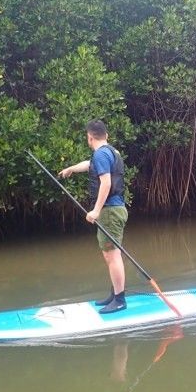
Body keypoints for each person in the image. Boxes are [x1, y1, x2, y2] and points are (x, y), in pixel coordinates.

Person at [59, 120, 128, 313]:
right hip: (115, 210)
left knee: (112, 255)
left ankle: (120, 300)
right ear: (105, 135)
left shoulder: (101, 155)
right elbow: (90, 165)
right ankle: (115, 294)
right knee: (111, 255)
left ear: (90, 137)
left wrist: (96, 210)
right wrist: (72, 168)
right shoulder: (111, 152)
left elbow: (105, 183)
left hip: (109, 212)